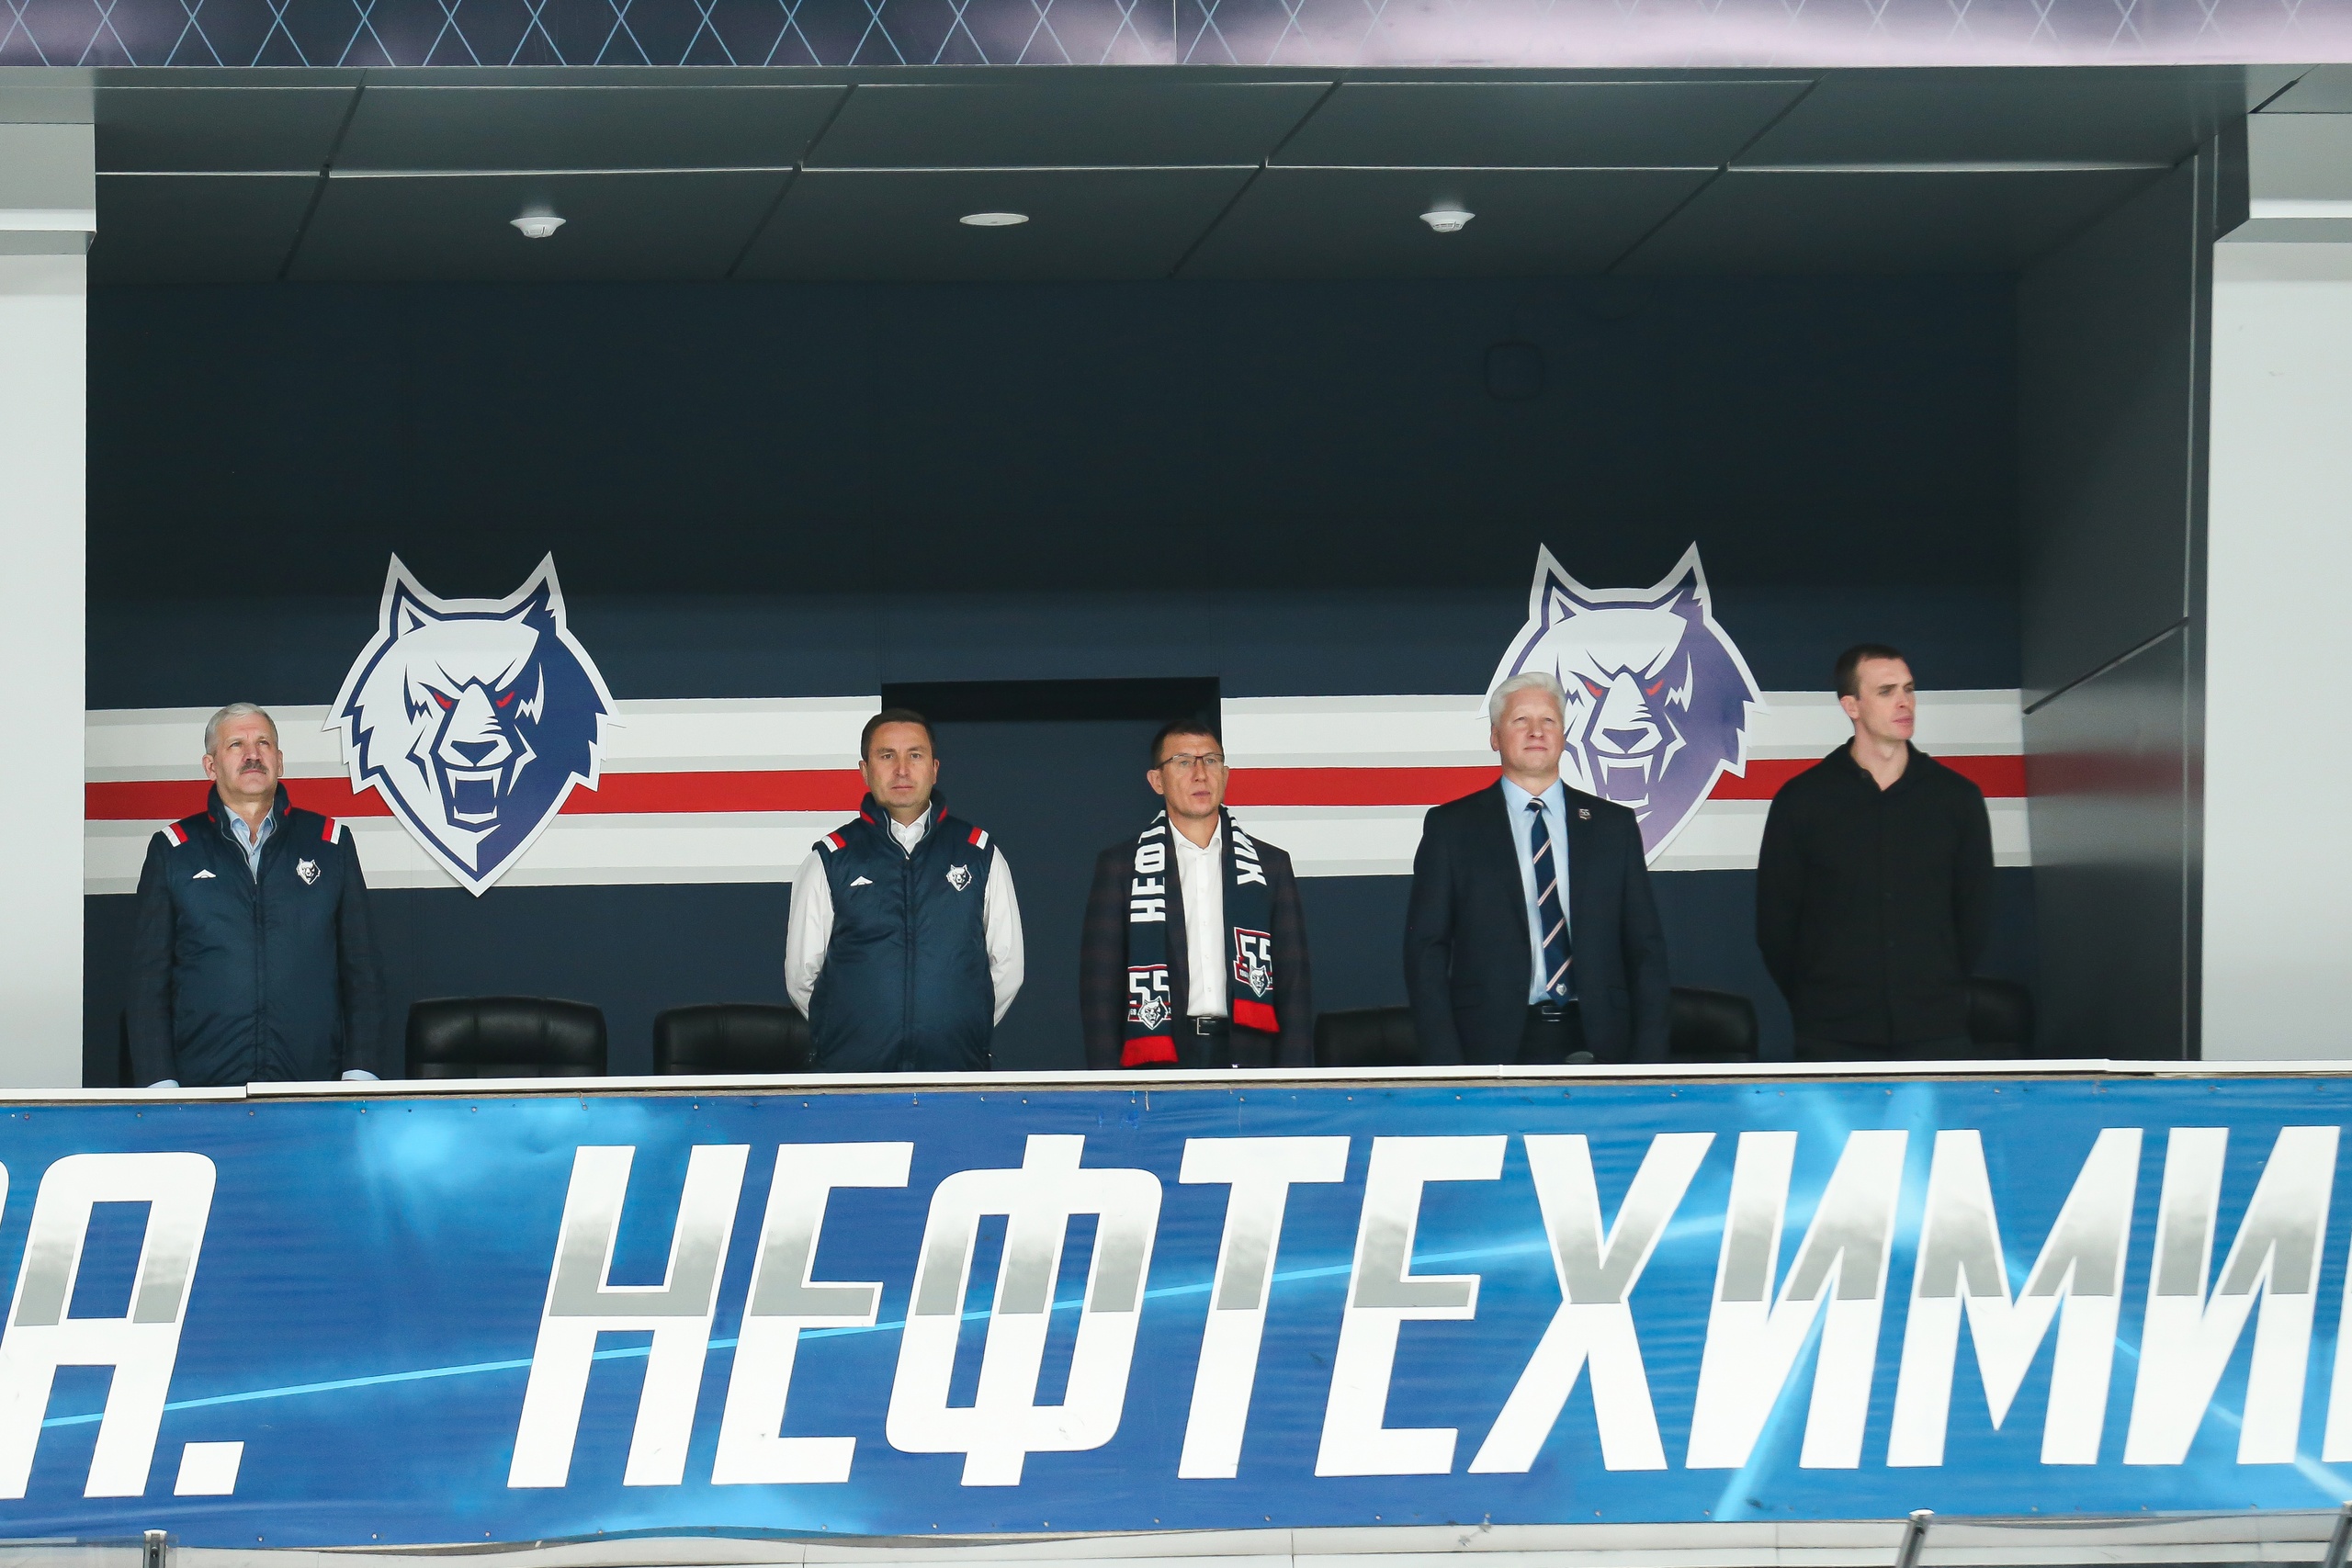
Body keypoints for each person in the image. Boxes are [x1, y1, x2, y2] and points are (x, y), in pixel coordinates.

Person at [1403, 673, 1670, 1065]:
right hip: (1489, 1045)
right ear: (1495, 737)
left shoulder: (1613, 826)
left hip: (1601, 1040)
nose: (1536, 731)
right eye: (1520, 720)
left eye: (1548, 720)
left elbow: (1646, 950)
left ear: (1563, 734)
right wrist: (1446, 1063)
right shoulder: (1452, 827)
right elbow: (1425, 952)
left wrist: (1648, 1059)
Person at [127, 703, 387, 1088]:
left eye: (263, 743)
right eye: (236, 745)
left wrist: (360, 1073)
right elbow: (147, 983)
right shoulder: (174, 850)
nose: (252, 754)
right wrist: (160, 1084)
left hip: (313, 1084)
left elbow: (362, 971)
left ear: (279, 762)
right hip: (203, 1088)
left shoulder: (330, 844)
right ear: (211, 766)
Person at [1756, 643, 1996, 1060]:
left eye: (1909, 689)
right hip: (1831, 1035)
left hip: (1936, 1032)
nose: (1905, 702)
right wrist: (1818, 1002)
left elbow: (1975, 914)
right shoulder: (1802, 800)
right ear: (1851, 705)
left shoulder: (1957, 798)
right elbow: (1776, 924)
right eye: (1886, 691)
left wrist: (1938, 988)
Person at [786, 708, 1023, 1071]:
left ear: (934, 768)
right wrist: (852, 1029)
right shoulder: (831, 858)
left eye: (915, 755)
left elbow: (1008, 967)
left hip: (955, 1071)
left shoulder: (978, 853)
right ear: (865, 770)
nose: (901, 769)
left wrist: (961, 1024)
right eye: (887, 756)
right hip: (852, 1074)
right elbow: (802, 975)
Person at [1080, 719, 1313, 1069]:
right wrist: (1109, 1086)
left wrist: (1294, 1083)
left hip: (1250, 1054)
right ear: (1157, 781)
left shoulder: (1270, 865)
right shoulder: (1121, 867)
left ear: (1226, 775)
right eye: (1184, 762)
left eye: (1211, 761)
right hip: (1158, 1057)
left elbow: (1294, 986)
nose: (1200, 774)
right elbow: (1100, 990)